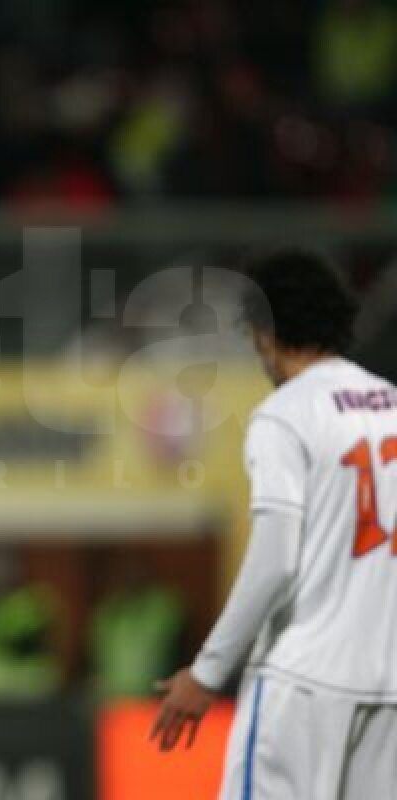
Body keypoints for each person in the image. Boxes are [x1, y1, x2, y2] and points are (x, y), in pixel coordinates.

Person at [152, 249, 397, 798]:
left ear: (265, 331)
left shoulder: (286, 414)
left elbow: (276, 560)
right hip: (389, 686)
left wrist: (208, 671)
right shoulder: (393, 405)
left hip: (305, 680)